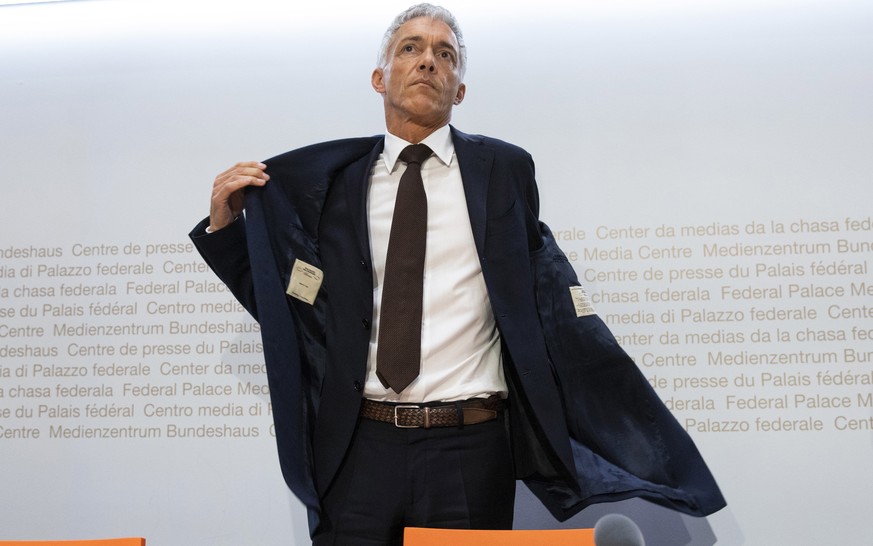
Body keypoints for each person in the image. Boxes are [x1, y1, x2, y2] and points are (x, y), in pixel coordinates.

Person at [190, 4, 725, 545]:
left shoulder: (505, 172)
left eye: (444, 54)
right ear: (380, 79)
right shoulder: (332, 186)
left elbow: (541, 299)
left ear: (460, 90)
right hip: (356, 450)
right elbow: (295, 314)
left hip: (471, 451)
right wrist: (228, 231)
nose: (428, 62)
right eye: (411, 49)